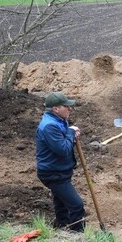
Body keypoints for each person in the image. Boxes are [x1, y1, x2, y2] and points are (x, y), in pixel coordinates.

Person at [36, 92, 85, 232]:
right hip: (53, 173)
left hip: (60, 170)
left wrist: (71, 135)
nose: (69, 109)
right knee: (76, 205)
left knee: (61, 203)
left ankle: (62, 226)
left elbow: (64, 142)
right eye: (66, 106)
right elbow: (63, 149)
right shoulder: (49, 126)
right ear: (55, 109)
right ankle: (78, 237)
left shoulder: (59, 120)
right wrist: (70, 132)